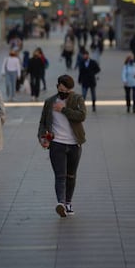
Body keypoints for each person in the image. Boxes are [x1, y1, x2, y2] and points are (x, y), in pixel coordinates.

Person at [38, 74, 86, 217]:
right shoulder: (49, 102)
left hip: (74, 144)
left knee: (71, 176)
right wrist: (43, 137)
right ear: (58, 87)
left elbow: (81, 116)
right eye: (62, 89)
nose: (64, 92)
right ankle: (61, 203)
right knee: (60, 176)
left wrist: (63, 109)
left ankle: (68, 202)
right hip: (57, 144)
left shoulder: (77, 99)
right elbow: (43, 123)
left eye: (67, 90)